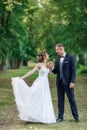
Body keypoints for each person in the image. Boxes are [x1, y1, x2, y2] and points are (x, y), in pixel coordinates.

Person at [11, 52, 56, 124]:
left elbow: (50, 73)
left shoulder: (47, 64)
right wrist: (23, 77)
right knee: (36, 98)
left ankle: (42, 116)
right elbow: (31, 71)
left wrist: (50, 68)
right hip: (40, 82)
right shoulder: (39, 65)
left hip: (45, 83)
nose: (48, 56)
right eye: (47, 55)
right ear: (44, 57)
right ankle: (29, 115)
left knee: (44, 98)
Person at [49, 44, 79, 122]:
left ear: (61, 49)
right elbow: (56, 71)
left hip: (69, 83)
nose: (56, 52)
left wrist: (72, 81)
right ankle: (60, 117)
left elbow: (73, 71)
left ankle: (76, 117)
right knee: (60, 100)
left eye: (57, 50)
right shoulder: (57, 59)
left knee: (71, 100)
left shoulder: (70, 58)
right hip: (59, 83)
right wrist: (51, 68)